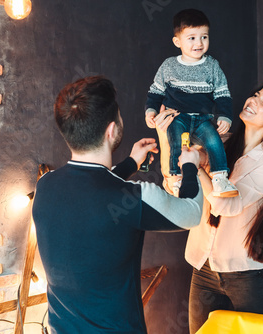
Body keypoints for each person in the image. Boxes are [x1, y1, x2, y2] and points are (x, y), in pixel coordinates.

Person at [31, 76, 203, 334]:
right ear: (111, 130)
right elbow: (192, 212)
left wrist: (131, 163)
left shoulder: (45, 186)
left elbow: (91, 190)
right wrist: (191, 165)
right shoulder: (135, 197)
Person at [155, 79, 263, 333]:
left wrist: (196, 166)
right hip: (204, 269)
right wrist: (165, 138)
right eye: (255, 94)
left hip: (247, 278)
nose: (253, 100)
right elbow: (176, 186)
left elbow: (226, 205)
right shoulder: (220, 143)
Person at [145, 8, 238, 198]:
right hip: (177, 116)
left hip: (203, 118)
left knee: (214, 141)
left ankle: (220, 178)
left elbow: (223, 93)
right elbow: (155, 91)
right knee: (176, 142)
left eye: (204, 37)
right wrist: (151, 111)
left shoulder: (212, 66)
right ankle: (176, 177)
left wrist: (225, 116)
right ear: (177, 41)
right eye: (192, 38)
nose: (199, 43)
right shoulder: (169, 66)